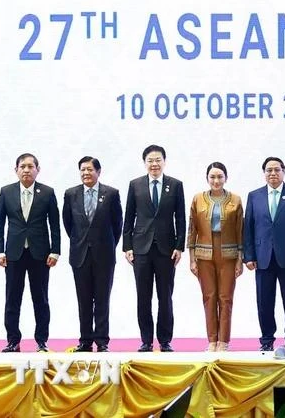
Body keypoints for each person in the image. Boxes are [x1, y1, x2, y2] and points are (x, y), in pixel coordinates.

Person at [0, 153, 60, 352]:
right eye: (22, 166)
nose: (26, 170)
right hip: (13, 254)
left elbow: (55, 225)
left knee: (41, 299)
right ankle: (13, 341)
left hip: (40, 254)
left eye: (31, 166)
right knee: (12, 298)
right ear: (16, 170)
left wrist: (55, 251)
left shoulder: (47, 193)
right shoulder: (6, 192)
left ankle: (41, 341)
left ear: (37, 170)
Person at [122, 144, 186, 353]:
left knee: (165, 296)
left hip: (167, 250)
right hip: (141, 248)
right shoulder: (135, 185)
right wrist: (127, 246)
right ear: (145, 163)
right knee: (143, 296)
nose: (154, 164)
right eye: (150, 160)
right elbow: (128, 216)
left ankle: (165, 340)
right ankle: (146, 340)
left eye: (158, 160)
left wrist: (179, 246)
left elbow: (181, 218)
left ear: (164, 162)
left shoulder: (175, 185)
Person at [243, 157, 285, 356]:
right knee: (264, 302)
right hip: (262, 258)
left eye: (277, 170)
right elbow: (248, 229)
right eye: (269, 170)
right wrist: (249, 256)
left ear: (283, 171)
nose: (273, 173)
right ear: (264, 173)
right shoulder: (254, 196)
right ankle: (266, 340)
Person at [62, 156, 123, 352]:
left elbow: (117, 225)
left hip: (104, 255)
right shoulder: (71, 194)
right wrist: (81, 242)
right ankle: (85, 341)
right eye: (82, 170)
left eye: (89, 169)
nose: (86, 173)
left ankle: (102, 341)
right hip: (80, 255)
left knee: (102, 299)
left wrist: (106, 245)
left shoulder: (111, 194)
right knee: (84, 300)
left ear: (98, 172)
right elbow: (68, 224)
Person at [188, 162, 244, 352]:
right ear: (207, 179)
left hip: (228, 253)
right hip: (203, 254)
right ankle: (212, 340)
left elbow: (240, 231)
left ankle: (224, 341)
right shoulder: (198, 199)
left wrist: (240, 259)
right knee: (209, 297)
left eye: (220, 176)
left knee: (225, 297)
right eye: (212, 177)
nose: (216, 180)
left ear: (226, 178)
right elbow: (192, 229)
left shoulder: (235, 200)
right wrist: (192, 257)